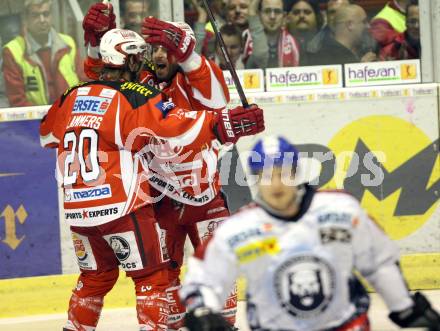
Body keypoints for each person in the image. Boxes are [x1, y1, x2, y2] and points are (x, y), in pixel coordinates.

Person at [40, 27, 264, 331]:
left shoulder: (71, 94)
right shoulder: (135, 93)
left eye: (163, 50)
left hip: (80, 208)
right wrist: (224, 125)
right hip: (130, 206)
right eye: (144, 54)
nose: (151, 58)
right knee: (153, 277)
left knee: (95, 277)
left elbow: (46, 135)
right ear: (131, 59)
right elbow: (172, 128)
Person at [179, 135, 440, 331]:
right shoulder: (240, 229)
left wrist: (404, 307)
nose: (276, 183)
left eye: (283, 173)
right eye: (267, 175)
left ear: (297, 173)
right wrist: (202, 309)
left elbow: (378, 262)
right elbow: (205, 276)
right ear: (256, 179)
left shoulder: (340, 209)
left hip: (346, 325)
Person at [2, 0, 85, 107]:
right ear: (25, 20)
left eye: (46, 14)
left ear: (51, 16)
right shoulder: (12, 52)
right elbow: (17, 101)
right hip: (35, 119)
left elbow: (85, 83)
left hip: (71, 113)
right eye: (35, 15)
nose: (42, 20)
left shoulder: (68, 43)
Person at [306, 4, 377, 65]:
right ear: (350, 25)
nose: (368, 26)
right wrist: (360, 70)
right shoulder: (324, 58)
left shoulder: (363, 51)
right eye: (364, 22)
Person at [243, 0, 300, 69]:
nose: (272, 16)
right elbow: (260, 55)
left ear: (284, 16)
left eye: (277, 12)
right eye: (267, 11)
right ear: (259, 15)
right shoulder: (245, 38)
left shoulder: (293, 41)